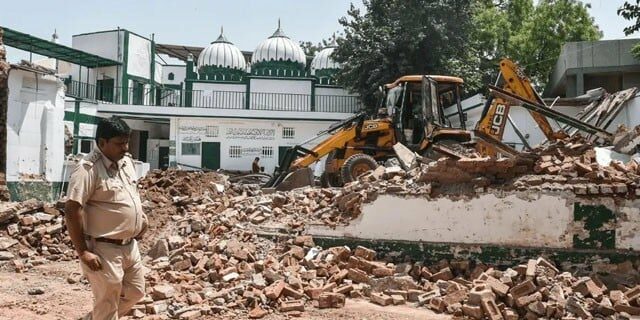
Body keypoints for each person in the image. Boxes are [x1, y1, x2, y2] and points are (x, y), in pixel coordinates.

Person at [65, 116, 147, 320]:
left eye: (126, 142)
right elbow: (72, 209)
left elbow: (130, 194)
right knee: (107, 302)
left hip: (130, 246)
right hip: (104, 249)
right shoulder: (87, 169)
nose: (126, 148)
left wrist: (141, 220)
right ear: (102, 143)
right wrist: (83, 252)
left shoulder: (126, 162)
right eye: (120, 143)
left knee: (136, 292)